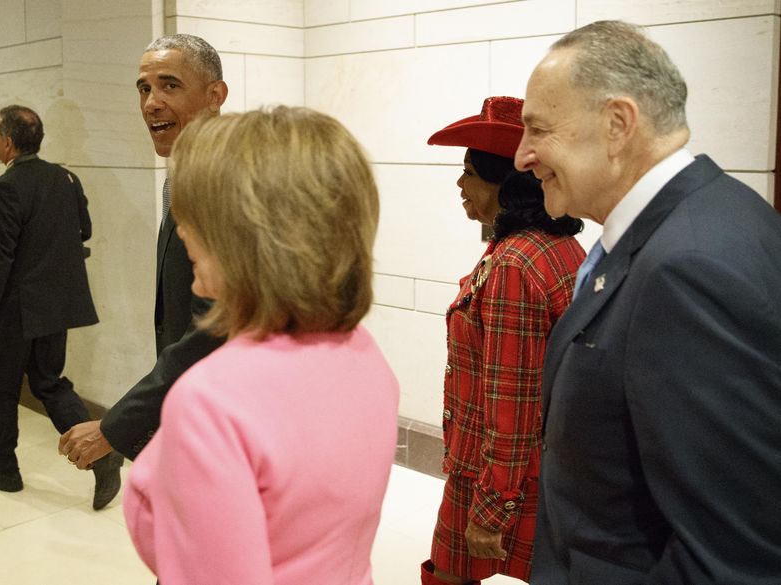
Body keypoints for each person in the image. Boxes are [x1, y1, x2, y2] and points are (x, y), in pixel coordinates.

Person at [514, 20, 781, 584]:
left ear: (617, 124)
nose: (522, 156)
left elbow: (731, 559)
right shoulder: (694, 222)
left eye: (537, 129)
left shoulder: (689, 267)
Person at [123, 106, 400, 585]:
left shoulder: (213, 400)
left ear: (242, 236)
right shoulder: (363, 352)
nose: (182, 231)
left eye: (192, 218)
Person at [420, 97, 584, 585]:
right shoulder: (554, 245)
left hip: (496, 475)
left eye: (470, 171)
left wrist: (493, 509)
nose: (460, 183)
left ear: (505, 183)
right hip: (533, 468)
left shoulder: (514, 264)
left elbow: (514, 402)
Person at [58, 34, 227, 470]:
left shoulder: (222, 180)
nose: (151, 103)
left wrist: (116, 425)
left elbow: (215, 327)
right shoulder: (183, 174)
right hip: (194, 413)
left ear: (215, 96)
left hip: (226, 424)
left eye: (170, 85)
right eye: (144, 88)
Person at [0, 105, 122, 507]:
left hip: (14, 310)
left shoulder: (7, 187)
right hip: (55, 305)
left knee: (1, 389)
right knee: (49, 382)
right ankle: (101, 452)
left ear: (8, 142)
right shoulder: (66, 178)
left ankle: (3, 470)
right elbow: (83, 230)